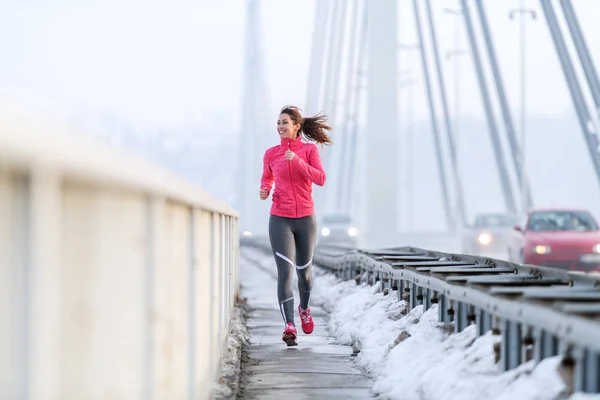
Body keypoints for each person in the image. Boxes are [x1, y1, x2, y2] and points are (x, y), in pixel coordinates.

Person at [259, 105, 333, 346]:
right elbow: (267, 176)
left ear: (296, 126)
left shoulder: (309, 151)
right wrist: (265, 189)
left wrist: (299, 161)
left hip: (305, 220)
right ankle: (289, 325)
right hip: (280, 218)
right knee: (285, 274)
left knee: (305, 274)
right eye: (278, 123)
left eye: (285, 123)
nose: (280, 127)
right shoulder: (271, 153)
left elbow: (320, 179)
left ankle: (304, 309)